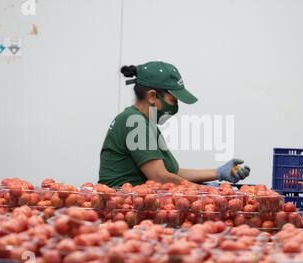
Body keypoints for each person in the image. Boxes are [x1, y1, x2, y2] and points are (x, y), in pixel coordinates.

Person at [99, 61, 250, 187]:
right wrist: (210, 192)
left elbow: (171, 173)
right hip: (123, 207)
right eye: (173, 101)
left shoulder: (145, 122)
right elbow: (160, 177)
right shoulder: (134, 122)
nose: (175, 107)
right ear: (152, 96)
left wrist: (218, 173)